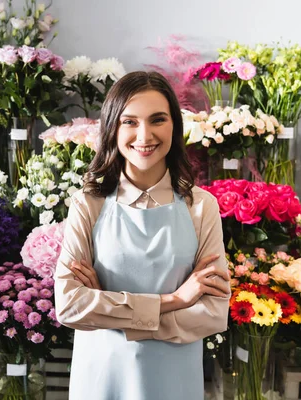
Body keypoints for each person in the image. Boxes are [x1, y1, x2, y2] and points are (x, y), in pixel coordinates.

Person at [54, 71, 231, 400]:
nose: (144, 134)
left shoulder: (201, 207)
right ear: (112, 128)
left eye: (157, 119)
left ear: (174, 126)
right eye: (130, 122)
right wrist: (175, 301)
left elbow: (213, 313)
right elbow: (69, 305)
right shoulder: (88, 204)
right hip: (102, 375)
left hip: (173, 377)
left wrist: (109, 311)